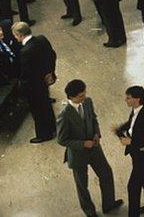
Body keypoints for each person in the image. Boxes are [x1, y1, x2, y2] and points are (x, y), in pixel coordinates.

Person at [57, 79, 123, 217]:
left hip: (94, 148)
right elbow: (62, 140)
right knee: (82, 185)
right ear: (71, 97)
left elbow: (93, 119)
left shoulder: (87, 102)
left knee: (106, 174)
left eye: (85, 93)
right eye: (81, 95)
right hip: (78, 155)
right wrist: (82, 144)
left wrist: (97, 134)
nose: (84, 97)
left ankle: (108, 204)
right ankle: (89, 212)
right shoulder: (64, 115)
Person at [117, 86, 144, 216]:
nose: (126, 100)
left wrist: (131, 141)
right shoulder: (135, 110)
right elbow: (132, 124)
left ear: (137, 99)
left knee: (133, 187)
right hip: (137, 155)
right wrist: (121, 129)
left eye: (128, 98)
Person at [14, 21, 57, 143]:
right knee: (46, 106)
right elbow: (52, 55)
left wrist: (22, 90)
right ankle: (52, 127)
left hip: (34, 86)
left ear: (20, 35)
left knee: (37, 111)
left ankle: (44, 134)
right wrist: (50, 72)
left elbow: (26, 74)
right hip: (44, 81)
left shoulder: (25, 51)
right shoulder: (41, 39)